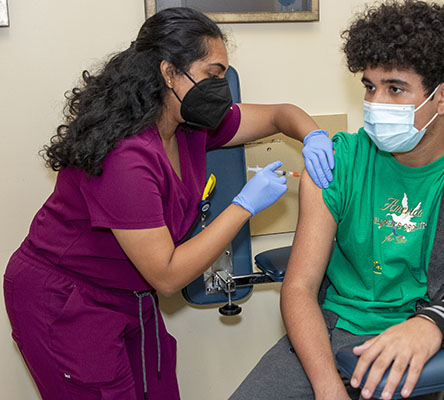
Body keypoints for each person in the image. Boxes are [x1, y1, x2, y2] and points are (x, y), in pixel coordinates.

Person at [230, 1, 444, 399]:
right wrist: (327, 387)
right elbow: (299, 288)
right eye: (370, 86)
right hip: (332, 331)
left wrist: (434, 325)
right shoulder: (338, 161)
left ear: (443, 96)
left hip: (422, 339)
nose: (376, 103)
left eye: (395, 88)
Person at [3, 7, 334, 400]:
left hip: (131, 295)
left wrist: (313, 136)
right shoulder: (125, 156)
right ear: (168, 72)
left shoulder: (188, 125)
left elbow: (280, 115)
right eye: (212, 74)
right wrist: (245, 205)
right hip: (66, 301)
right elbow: (169, 274)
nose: (221, 87)